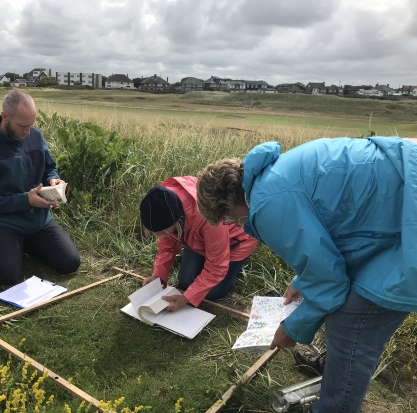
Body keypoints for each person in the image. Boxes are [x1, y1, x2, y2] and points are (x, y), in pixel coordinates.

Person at [196, 136, 417, 413]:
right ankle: (336, 377)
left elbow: (331, 284)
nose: (236, 225)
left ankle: (335, 404)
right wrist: (302, 281)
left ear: (229, 205)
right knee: (348, 314)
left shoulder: (267, 205)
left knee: (350, 322)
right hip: (402, 194)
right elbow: (340, 233)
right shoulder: (271, 177)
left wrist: (291, 329)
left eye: (229, 220)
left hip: (409, 215)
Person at [0, 89, 80, 284]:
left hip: (39, 221)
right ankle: (3, 245)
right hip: (6, 224)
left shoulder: (35, 136)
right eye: (22, 126)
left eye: (31, 125)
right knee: (7, 277)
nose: (28, 132)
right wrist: (25, 200)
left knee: (70, 263)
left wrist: (54, 180)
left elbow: (49, 168)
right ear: (5, 117)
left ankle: (24, 245)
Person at [139, 176, 258, 311]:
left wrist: (186, 299)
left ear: (177, 221)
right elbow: (167, 246)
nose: (161, 236)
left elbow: (217, 266)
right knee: (185, 281)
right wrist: (158, 276)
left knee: (213, 293)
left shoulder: (207, 216)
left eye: (163, 232)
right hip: (199, 241)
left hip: (235, 240)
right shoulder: (161, 206)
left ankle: (237, 265)